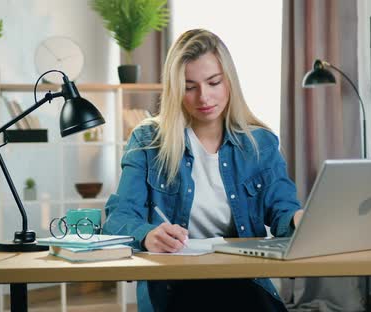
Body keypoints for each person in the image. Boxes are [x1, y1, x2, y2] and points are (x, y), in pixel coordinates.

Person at [103, 29, 303, 312]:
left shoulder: (260, 143)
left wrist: (299, 219)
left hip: (242, 283)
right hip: (174, 287)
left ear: (229, 81)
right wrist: (147, 234)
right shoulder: (148, 140)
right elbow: (118, 216)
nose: (204, 97)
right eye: (190, 86)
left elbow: (282, 211)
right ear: (175, 89)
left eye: (213, 82)